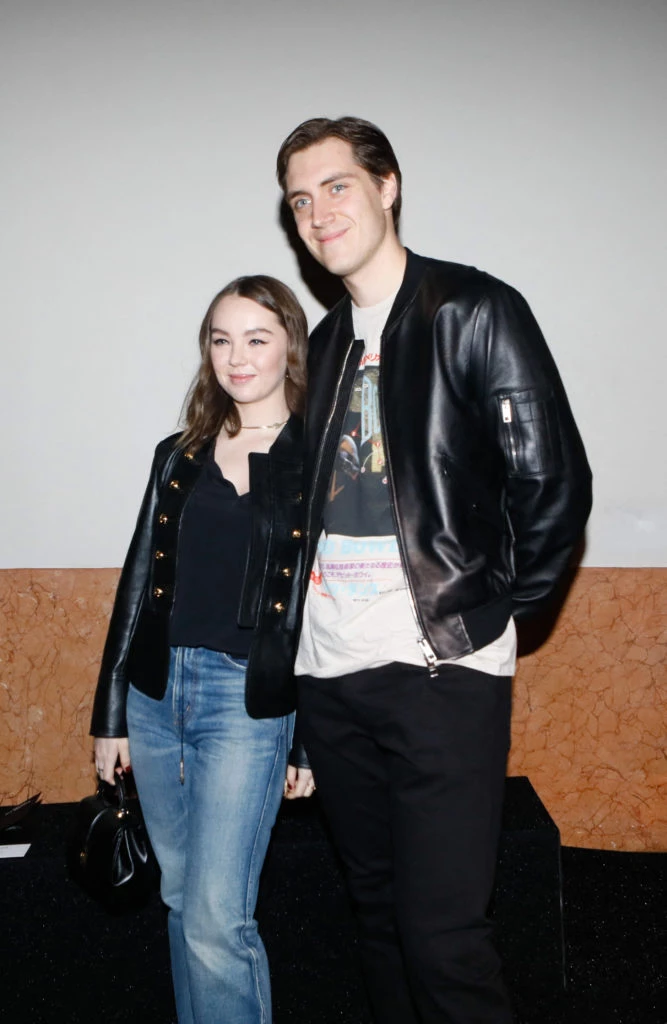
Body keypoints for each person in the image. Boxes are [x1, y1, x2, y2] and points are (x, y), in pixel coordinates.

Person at [276, 117, 592, 1023]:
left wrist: (491, 615)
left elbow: (552, 481)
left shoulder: (473, 308)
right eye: (300, 199)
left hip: (439, 667)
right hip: (330, 672)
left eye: (336, 185)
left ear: (387, 186)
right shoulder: (329, 340)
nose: (317, 211)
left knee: (443, 935)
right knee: (374, 916)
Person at [90, 275, 314, 1024]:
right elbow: (137, 584)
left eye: (256, 337)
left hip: (243, 704)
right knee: (182, 900)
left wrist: (305, 742)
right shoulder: (177, 454)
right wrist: (111, 713)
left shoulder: (317, 462)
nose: (236, 355)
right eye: (221, 339)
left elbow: (325, 610)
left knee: (220, 918)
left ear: (289, 345)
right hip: (156, 699)